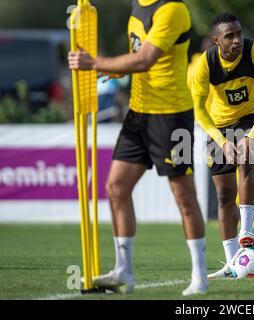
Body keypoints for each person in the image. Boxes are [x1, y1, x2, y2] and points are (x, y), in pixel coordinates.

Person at [68, 0, 207, 296]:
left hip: (171, 117)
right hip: (138, 114)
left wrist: (95, 63)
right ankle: (124, 271)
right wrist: (119, 70)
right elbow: (136, 53)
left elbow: (145, 59)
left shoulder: (172, 9)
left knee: (184, 196)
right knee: (116, 188)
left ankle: (199, 276)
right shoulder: (137, 6)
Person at [190, 12, 254, 278]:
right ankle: (232, 264)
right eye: (230, 36)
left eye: (239, 33)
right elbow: (198, 109)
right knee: (224, 195)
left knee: (245, 159)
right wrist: (220, 140)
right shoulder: (205, 64)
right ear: (216, 40)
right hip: (217, 125)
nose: (237, 40)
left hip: (252, 118)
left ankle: (246, 232)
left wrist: (253, 134)